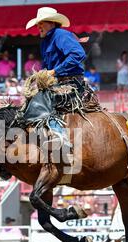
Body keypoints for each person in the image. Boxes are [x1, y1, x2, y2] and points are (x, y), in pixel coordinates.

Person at [25, 6, 98, 148]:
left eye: (41, 23)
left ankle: (60, 135)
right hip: (57, 84)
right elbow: (47, 68)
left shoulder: (60, 34)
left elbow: (78, 54)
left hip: (71, 84)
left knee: (44, 100)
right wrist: (40, 77)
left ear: (52, 23)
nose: (38, 26)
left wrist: (54, 72)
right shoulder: (45, 41)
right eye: (38, 24)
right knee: (27, 106)